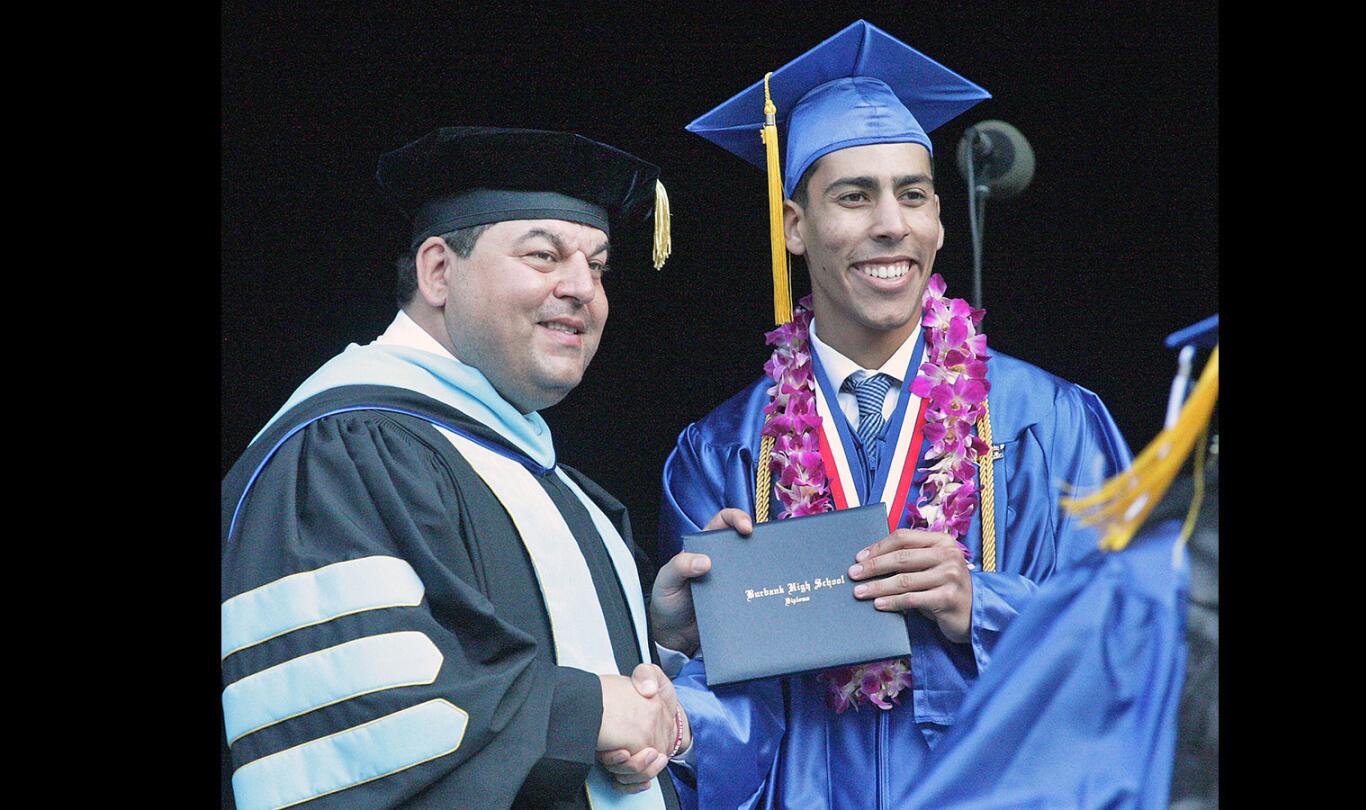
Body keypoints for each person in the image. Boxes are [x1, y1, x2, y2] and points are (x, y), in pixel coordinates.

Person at [650, 21, 1134, 808]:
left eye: (912, 194)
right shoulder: (725, 453)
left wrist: (981, 605)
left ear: (940, 220)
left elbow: (1137, 646)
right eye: (853, 195)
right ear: (794, 227)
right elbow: (723, 721)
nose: (890, 223)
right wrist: (673, 650)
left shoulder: (1053, 423)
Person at [220, 126, 697, 810]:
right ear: (438, 271)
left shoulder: (555, 482)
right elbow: (356, 719)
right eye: (543, 255)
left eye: (598, 266)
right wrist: (585, 712)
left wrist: (655, 638)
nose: (582, 288)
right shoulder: (338, 451)